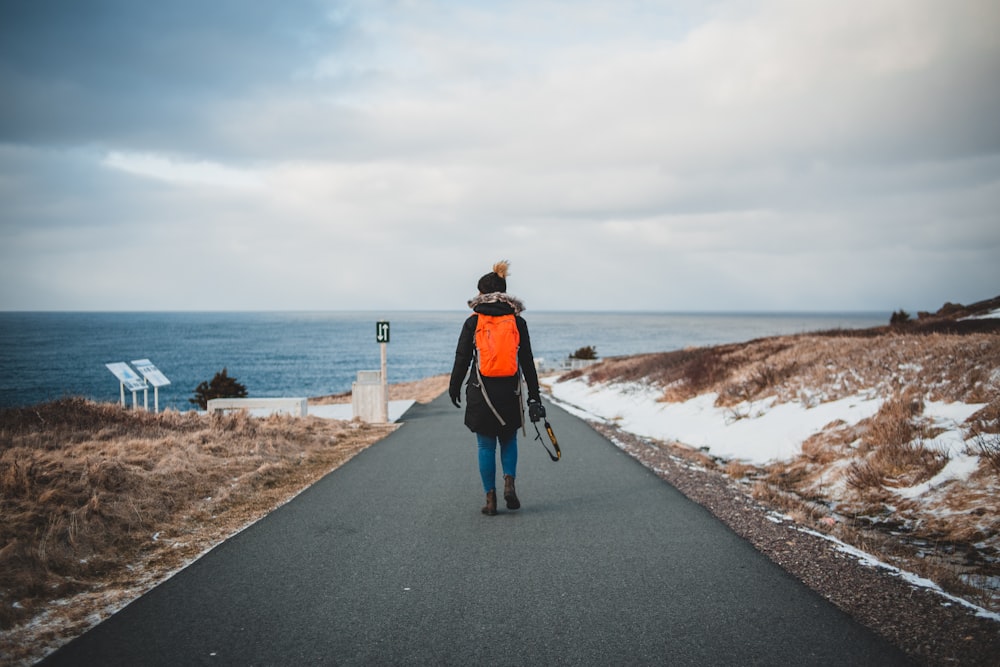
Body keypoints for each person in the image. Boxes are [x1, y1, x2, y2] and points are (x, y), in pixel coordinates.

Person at [449, 260, 545, 516]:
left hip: (482, 390)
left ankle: (490, 500)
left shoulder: (474, 321)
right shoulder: (517, 322)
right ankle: (509, 483)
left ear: (482, 293)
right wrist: (534, 396)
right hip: (510, 390)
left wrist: (454, 386)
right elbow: (526, 360)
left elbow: (462, 358)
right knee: (509, 439)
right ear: (504, 292)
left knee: (485, 446)